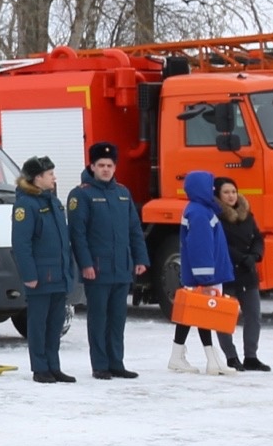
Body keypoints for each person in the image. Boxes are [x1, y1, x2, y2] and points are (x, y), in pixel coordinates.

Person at [67, 141, 148, 381]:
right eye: (100, 165)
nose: (105, 169)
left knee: (117, 319)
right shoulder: (81, 194)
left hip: (121, 268)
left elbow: (134, 229)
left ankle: (116, 363)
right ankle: (100, 365)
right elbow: (77, 234)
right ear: (92, 166)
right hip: (98, 269)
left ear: (115, 167)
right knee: (99, 319)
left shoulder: (122, 193)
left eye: (109, 165)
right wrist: (86, 264)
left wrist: (140, 258)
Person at [12, 155, 75, 385]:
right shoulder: (26, 205)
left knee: (55, 325)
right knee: (38, 325)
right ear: (38, 178)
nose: (54, 178)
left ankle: (53, 366)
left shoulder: (54, 202)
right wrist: (29, 275)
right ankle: (40, 368)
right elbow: (21, 244)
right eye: (50, 174)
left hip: (58, 275)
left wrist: (68, 269)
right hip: (40, 277)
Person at [168, 169, 237, 376]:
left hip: (204, 274)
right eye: (211, 186)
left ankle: (180, 356)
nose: (214, 189)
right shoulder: (200, 212)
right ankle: (211, 359)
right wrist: (205, 278)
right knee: (203, 314)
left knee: (194, 314)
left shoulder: (200, 210)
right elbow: (200, 246)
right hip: (207, 275)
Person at [216, 176, 269, 371]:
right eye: (226, 192)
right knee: (224, 318)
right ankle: (231, 356)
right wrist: (241, 257)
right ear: (218, 195)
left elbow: (257, 237)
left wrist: (255, 255)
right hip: (227, 272)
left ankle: (251, 356)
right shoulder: (216, 217)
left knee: (253, 315)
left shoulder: (247, 214)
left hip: (248, 272)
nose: (231, 196)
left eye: (233, 191)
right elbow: (221, 244)